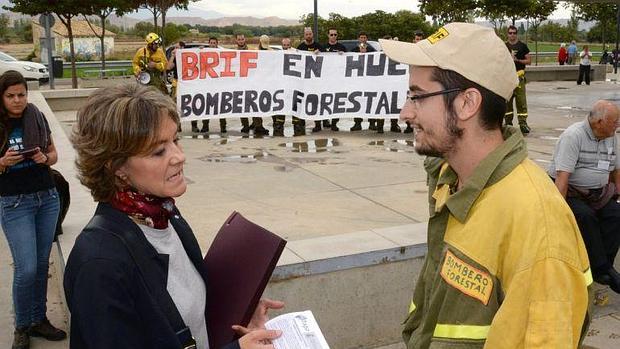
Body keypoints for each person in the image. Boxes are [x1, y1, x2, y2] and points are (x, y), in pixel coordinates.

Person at [380, 22, 591, 348]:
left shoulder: (538, 223)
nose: (405, 112)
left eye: (418, 97)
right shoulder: (451, 179)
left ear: (467, 103)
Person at [65, 83, 283, 349]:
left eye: (175, 140)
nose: (179, 156)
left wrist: (240, 313)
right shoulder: (100, 264)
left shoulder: (167, 215)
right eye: (159, 151)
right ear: (117, 167)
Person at [0, 70, 65, 349]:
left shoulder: (36, 116)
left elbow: (54, 154)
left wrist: (43, 157)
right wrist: (3, 162)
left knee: (40, 265)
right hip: (15, 203)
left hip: (46, 197)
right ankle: (22, 326)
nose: (17, 100)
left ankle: (39, 320)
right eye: (11, 96)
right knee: (25, 268)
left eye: (22, 94)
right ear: (1, 97)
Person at [548, 100, 620, 293]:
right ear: (599, 123)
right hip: (572, 191)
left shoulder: (612, 137)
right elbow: (562, 177)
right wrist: (557, 211)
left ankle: (603, 266)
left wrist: (618, 193)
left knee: (616, 214)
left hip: (598, 193)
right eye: (614, 122)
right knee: (585, 217)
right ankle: (603, 269)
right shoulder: (573, 136)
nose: (617, 125)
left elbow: (616, 169)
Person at [235, 34, 268, 135]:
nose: (241, 41)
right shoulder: (233, 52)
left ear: (245, 40)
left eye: (242, 39)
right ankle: (245, 125)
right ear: (236, 41)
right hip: (240, 82)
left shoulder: (251, 50)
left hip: (252, 82)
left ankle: (258, 125)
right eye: (239, 39)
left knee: (254, 104)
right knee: (242, 105)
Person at [273, 38, 305, 136]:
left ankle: (298, 128)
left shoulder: (297, 53)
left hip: (294, 86)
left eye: (288, 45)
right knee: (280, 108)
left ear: (291, 45)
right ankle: (278, 128)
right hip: (281, 87)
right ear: (282, 45)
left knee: (295, 107)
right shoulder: (277, 56)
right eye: (284, 45)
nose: (286, 47)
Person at [297, 27, 327, 133]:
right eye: (306, 34)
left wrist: (321, 53)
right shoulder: (300, 47)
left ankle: (318, 124)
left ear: (312, 34)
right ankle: (301, 123)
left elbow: (328, 59)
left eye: (310, 34)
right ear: (304, 35)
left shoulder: (319, 46)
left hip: (316, 81)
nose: (308, 36)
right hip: (304, 80)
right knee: (302, 101)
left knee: (315, 102)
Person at [195, 37, 227, 134]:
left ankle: (223, 126)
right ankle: (205, 126)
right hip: (208, 84)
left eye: (214, 43)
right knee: (207, 105)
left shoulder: (221, 52)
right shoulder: (204, 52)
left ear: (217, 43)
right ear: (209, 43)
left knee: (221, 106)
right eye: (211, 43)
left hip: (219, 84)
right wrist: (199, 51)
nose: (212, 44)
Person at [504, 25, 531, 135]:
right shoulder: (504, 46)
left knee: (521, 101)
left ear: (517, 34)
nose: (512, 35)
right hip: (507, 77)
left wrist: (517, 60)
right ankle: (508, 123)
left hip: (519, 77)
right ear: (507, 34)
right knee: (507, 101)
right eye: (510, 33)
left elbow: (529, 61)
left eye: (514, 33)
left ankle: (523, 124)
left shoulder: (523, 46)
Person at [322, 28, 348, 132]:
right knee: (324, 101)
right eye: (331, 34)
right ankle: (323, 121)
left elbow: (348, 61)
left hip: (337, 80)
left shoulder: (342, 47)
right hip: (325, 79)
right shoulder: (323, 47)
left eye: (335, 34)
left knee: (336, 102)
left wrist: (344, 56)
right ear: (328, 35)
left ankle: (334, 123)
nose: (333, 36)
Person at [351, 32, 377, 132]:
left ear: (367, 39)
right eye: (361, 37)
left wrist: (367, 53)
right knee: (358, 101)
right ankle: (357, 123)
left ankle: (372, 123)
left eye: (364, 37)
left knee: (371, 102)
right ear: (358, 39)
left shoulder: (371, 50)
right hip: (358, 81)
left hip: (369, 81)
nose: (363, 39)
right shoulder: (354, 50)